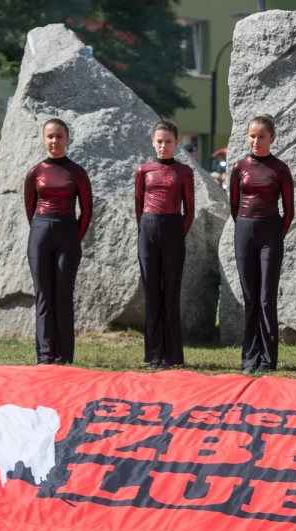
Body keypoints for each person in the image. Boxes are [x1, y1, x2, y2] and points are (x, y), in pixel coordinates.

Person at [228, 113, 294, 374]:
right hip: (244, 230)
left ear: (272, 139)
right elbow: (234, 205)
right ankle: (249, 358)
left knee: (267, 298)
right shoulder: (239, 167)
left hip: (270, 233)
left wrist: (276, 235)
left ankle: (268, 359)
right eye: (252, 136)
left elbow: (289, 210)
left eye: (262, 137)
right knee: (250, 298)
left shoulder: (280, 169)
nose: (256, 141)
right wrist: (245, 226)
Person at [24, 118, 93, 365]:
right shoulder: (35, 172)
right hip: (40, 234)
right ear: (44, 139)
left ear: (67, 139)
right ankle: (45, 355)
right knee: (43, 295)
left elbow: (86, 211)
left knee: (63, 295)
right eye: (50, 136)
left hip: (68, 235)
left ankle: (64, 355)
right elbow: (29, 207)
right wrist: (41, 228)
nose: (55, 141)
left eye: (59, 136)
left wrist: (74, 237)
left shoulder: (77, 172)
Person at [135, 119, 194, 370]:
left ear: (177, 143)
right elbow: (138, 204)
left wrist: (177, 234)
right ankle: (154, 355)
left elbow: (189, 210)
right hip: (148, 228)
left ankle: (172, 355)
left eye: (168, 142)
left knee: (170, 293)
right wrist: (146, 229)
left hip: (173, 229)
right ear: (152, 142)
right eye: (159, 141)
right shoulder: (143, 170)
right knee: (151, 294)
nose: (163, 146)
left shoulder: (184, 171)